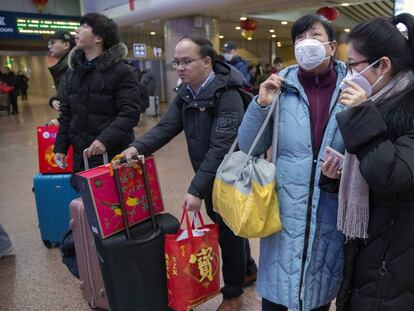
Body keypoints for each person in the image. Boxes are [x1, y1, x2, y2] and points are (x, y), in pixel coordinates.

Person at [122, 36, 257, 311]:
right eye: (177, 62)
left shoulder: (227, 94)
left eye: (187, 61)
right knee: (229, 227)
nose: (180, 68)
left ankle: (233, 293)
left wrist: (195, 190)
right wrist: (137, 148)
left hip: (231, 176)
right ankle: (248, 269)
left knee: (228, 234)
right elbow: (166, 127)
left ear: (207, 62)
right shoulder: (186, 92)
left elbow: (221, 148)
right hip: (208, 174)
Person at [238, 14, 347, 311]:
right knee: (275, 295)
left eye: (313, 35)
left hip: (329, 209)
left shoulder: (353, 89)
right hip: (283, 207)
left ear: (332, 46)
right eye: (299, 38)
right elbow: (249, 146)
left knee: (317, 295)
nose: (305, 43)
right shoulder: (280, 86)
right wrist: (261, 105)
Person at [322, 13, 414, 311]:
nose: (348, 73)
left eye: (354, 64)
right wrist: (335, 177)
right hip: (369, 246)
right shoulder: (376, 100)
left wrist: (361, 114)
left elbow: (393, 177)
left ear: (383, 65)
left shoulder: (405, 107)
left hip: (394, 254)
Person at [53, 13, 141, 190]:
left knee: (113, 206)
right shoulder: (72, 73)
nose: (77, 30)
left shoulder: (121, 71)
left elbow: (130, 113)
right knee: (85, 204)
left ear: (99, 37)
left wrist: (104, 140)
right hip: (81, 155)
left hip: (112, 153)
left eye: (84, 26)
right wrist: (60, 147)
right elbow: (67, 113)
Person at [47, 31, 76, 125]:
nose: (49, 46)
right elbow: (67, 92)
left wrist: (61, 121)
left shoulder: (74, 67)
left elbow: (80, 102)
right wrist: (54, 99)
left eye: (53, 42)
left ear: (66, 45)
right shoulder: (64, 67)